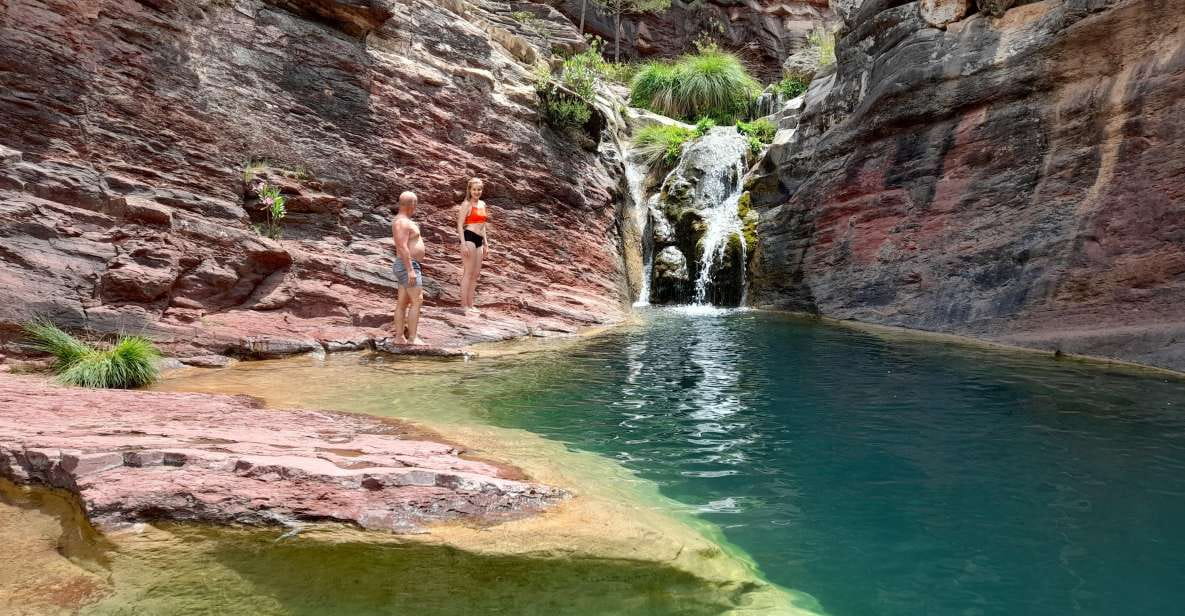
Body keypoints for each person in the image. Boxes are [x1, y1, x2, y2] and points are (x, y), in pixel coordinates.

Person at [391, 191, 425, 345]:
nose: (416, 206)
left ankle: (399, 337)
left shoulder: (402, 221)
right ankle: (412, 338)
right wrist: (410, 269)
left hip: (407, 265)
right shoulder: (402, 222)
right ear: (411, 204)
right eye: (415, 203)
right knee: (417, 300)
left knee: (403, 302)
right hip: (407, 266)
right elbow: (403, 247)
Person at [456, 177, 490, 314]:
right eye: (474, 189)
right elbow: (459, 224)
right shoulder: (466, 204)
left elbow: (483, 226)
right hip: (469, 238)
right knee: (468, 273)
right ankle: (463, 305)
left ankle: (471, 304)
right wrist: (463, 244)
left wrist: (486, 243)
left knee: (476, 274)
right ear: (470, 190)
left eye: (479, 189)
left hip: (479, 240)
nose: (477, 192)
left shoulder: (483, 204)